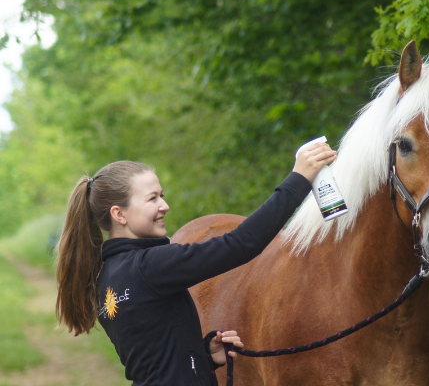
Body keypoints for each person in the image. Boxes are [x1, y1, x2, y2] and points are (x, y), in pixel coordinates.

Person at [55, 142, 336, 386]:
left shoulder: (107, 277)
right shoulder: (150, 266)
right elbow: (241, 243)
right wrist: (299, 178)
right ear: (120, 214)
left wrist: (204, 357)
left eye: (161, 195)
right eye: (152, 198)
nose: (164, 205)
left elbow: (155, 359)